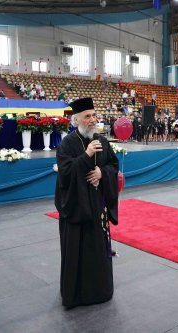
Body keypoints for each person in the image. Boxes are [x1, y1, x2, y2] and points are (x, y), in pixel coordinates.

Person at [54, 97, 119, 309]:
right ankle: (76, 295)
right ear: (76, 120)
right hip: (76, 210)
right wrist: (86, 155)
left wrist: (102, 173)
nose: (93, 120)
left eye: (94, 115)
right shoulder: (68, 143)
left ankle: (100, 290)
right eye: (87, 116)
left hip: (97, 207)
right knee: (77, 253)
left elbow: (113, 165)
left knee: (98, 251)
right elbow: (65, 174)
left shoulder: (102, 140)